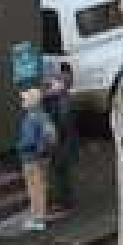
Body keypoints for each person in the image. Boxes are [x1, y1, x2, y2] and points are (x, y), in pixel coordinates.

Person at [17, 86, 56, 232]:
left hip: (31, 158)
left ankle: (37, 218)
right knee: (41, 187)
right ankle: (39, 216)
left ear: (31, 102)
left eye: (25, 99)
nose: (23, 100)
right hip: (44, 157)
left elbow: (28, 140)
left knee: (34, 188)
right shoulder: (43, 115)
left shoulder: (30, 119)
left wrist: (19, 146)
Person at [42, 63, 80, 214]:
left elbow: (64, 122)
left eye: (53, 83)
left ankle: (62, 201)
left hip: (62, 141)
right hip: (64, 141)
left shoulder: (62, 100)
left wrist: (56, 136)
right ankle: (65, 200)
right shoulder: (59, 98)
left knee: (59, 171)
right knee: (61, 172)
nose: (50, 85)